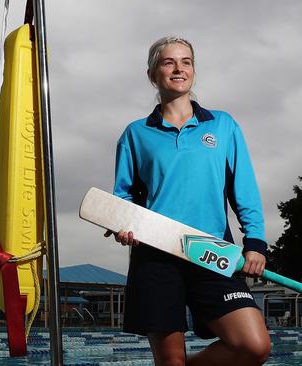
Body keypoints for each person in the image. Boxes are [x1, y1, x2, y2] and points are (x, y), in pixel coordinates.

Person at [105, 36, 272, 366]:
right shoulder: (135, 134)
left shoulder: (222, 125)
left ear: (193, 70)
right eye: (169, 62)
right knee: (170, 361)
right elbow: (122, 197)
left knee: (254, 346)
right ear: (153, 73)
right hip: (156, 256)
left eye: (186, 61)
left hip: (212, 252)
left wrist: (255, 241)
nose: (178, 68)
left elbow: (245, 190)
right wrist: (124, 225)